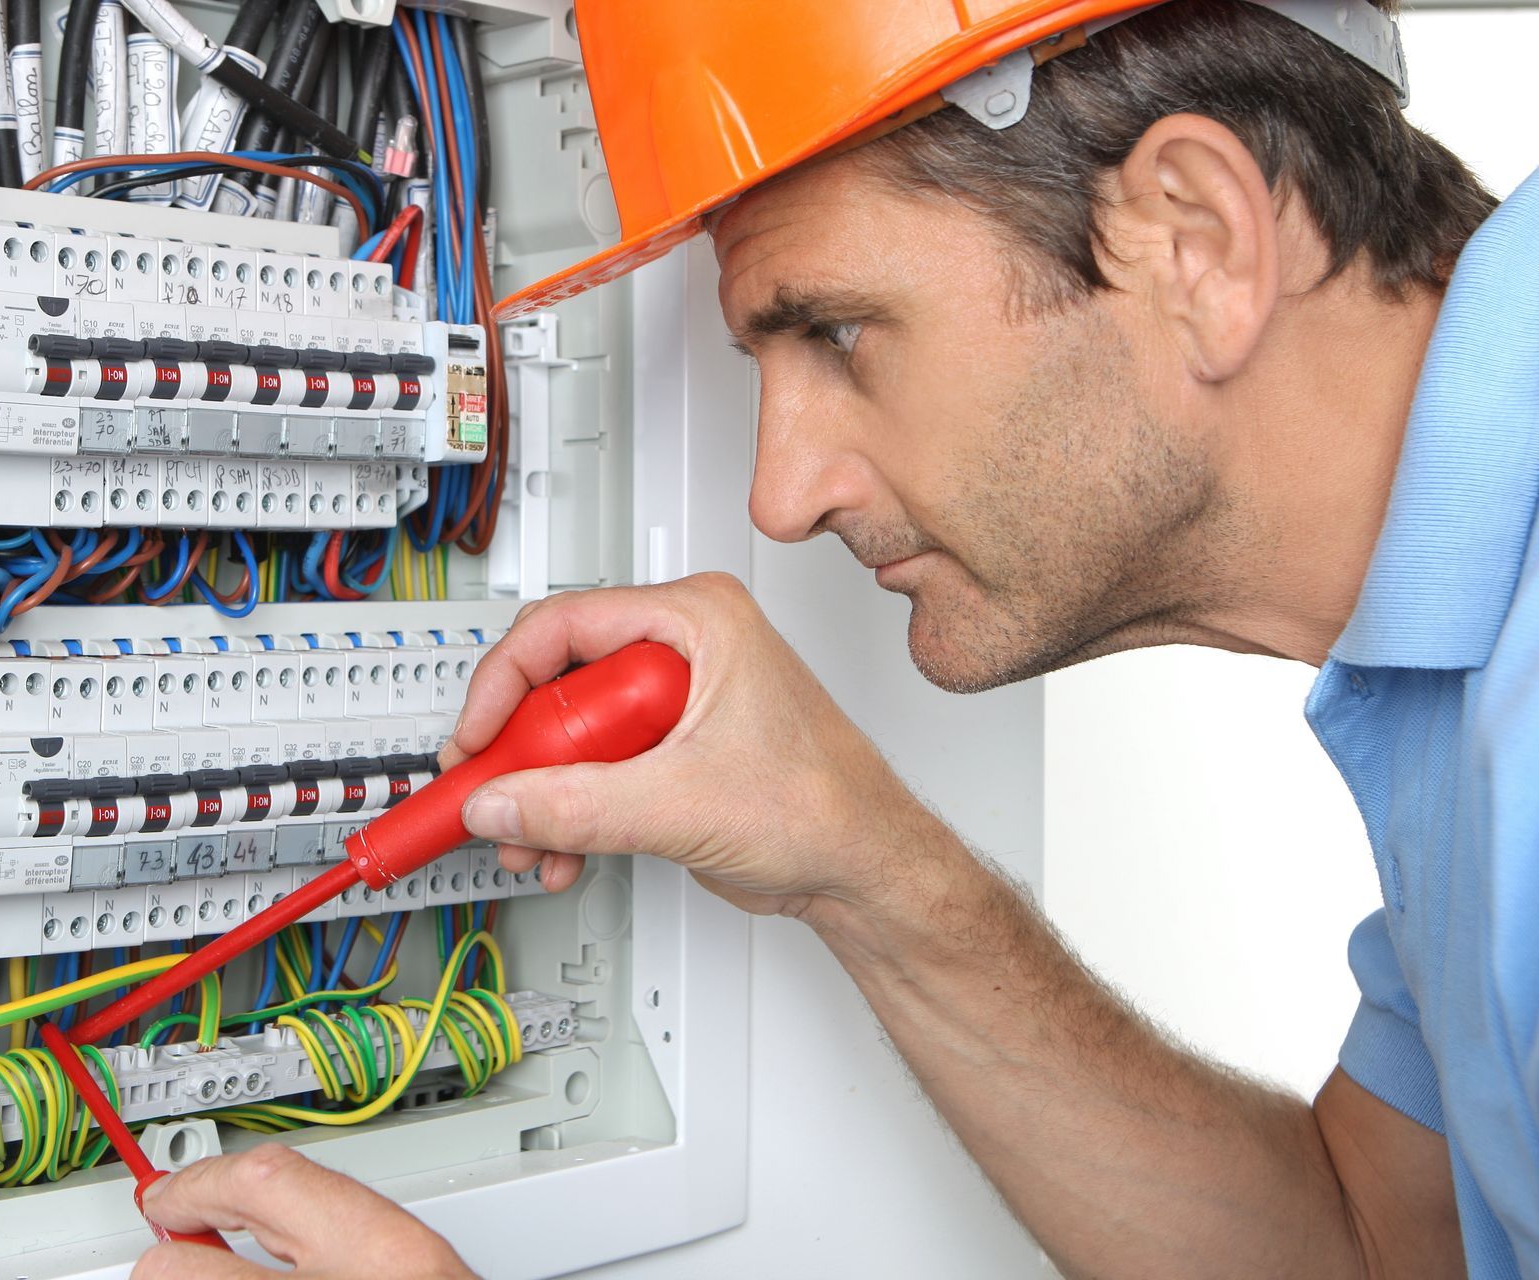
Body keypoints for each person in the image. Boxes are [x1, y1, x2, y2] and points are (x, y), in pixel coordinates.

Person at [133, 0, 1538, 1275]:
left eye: (840, 335)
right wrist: (866, 858)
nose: (780, 497)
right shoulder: (1448, 688)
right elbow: (1378, 1244)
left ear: (1196, 240)